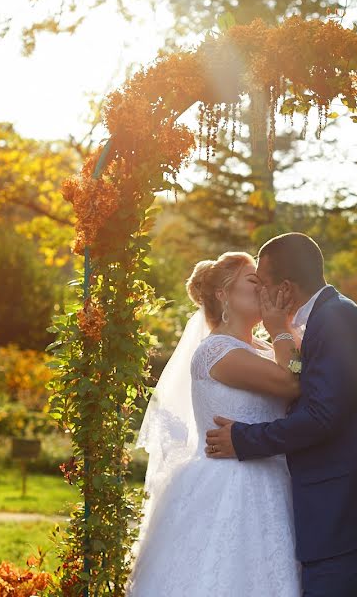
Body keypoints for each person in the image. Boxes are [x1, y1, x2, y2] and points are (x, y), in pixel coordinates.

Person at [206, 232, 357, 597]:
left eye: (264, 285)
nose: (261, 295)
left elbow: (321, 415)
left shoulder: (334, 320)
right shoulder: (329, 315)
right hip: (340, 501)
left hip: (345, 503)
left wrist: (243, 439)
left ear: (285, 287)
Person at [125, 251, 303, 596]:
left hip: (275, 479)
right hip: (231, 485)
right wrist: (281, 328)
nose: (263, 286)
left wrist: (281, 331)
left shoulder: (266, 348)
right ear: (223, 294)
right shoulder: (217, 351)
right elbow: (292, 382)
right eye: (253, 280)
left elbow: (298, 372)